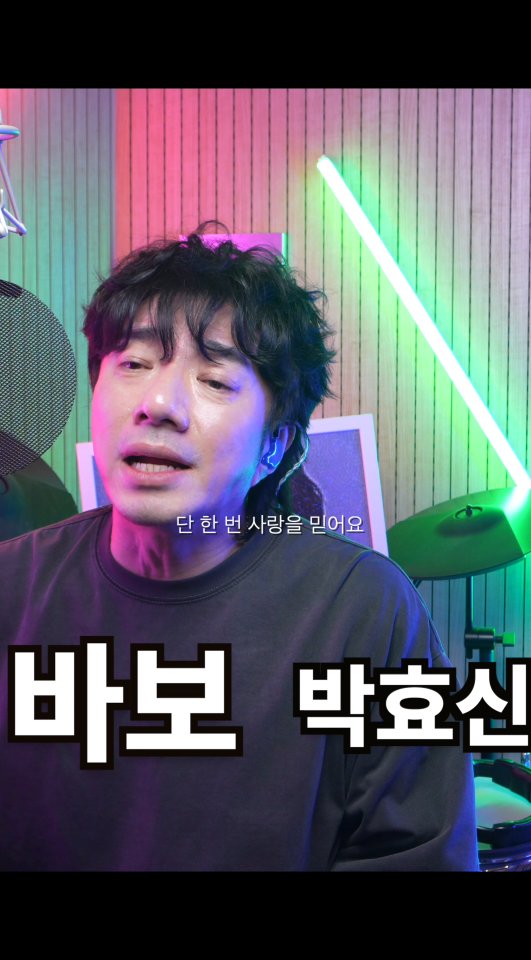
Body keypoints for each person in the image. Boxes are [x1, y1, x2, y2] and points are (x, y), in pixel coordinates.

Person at [0, 230, 479, 871]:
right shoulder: (13, 588)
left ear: (274, 447)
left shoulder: (364, 610)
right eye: (134, 364)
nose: (158, 404)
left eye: (215, 380)